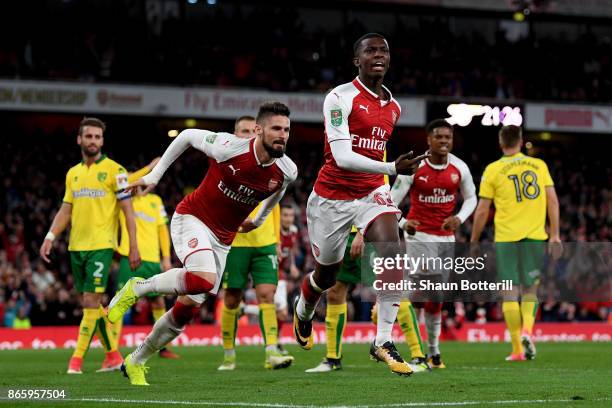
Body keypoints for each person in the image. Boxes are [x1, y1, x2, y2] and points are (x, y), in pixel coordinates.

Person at [108, 102, 297, 385]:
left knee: (185, 311)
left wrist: (259, 220)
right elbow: (185, 137)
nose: (282, 135)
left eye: (286, 130)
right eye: (276, 128)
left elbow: (278, 191)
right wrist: (154, 176)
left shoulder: (286, 170)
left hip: (223, 238)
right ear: (258, 130)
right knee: (204, 278)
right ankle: (138, 287)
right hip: (192, 218)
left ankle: (136, 360)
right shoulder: (228, 146)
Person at [293, 33, 428, 377]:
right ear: (357, 60)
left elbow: (374, 155)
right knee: (326, 276)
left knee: (392, 246)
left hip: (371, 192)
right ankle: (305, 308)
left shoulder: (393, 106)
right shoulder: (339, 97)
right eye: (370, 50)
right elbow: (340, 156)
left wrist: (386, 176)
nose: (378, 55)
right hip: (331, 198)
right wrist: (390, 168)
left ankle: (382, 339)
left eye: (384, 50)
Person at [39, 117, 141, 374]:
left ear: (102, 141)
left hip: (102, 245)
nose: (93, 141)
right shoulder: (73, 174)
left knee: (90, 301)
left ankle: (76, 360)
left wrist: (133, 246)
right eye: (89, 136)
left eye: (97, 137)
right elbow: (66, 209)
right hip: (76, 247)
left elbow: (128, 211)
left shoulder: (116, 171)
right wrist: (50, 236)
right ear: (80, 139)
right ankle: (113, 356)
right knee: (92, 307)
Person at [390, 118, 477, 369]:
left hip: (445, 238)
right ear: (429, 140)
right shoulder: (415, 168)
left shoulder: (459, 168)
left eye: (447, 137)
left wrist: (460, 218)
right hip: (419, 237)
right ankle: (426, 351)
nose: (443, 141)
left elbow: (472, 198)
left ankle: (430, 351)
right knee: (424, 293)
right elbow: (391, 200)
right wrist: (403, 222)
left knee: (434, 298)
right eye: (439, 137)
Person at [470, 125, 561, 361]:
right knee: (531, 288)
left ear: (501, 143)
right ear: (521, 142)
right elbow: (552, 200)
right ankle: (528, 332)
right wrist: (556, 235)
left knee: (509, 292)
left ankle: (517, 350)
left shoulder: (493, 170)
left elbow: (482, 210)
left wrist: (474, 240)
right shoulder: (539, 166)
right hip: (534, 236)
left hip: (507, 238)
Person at [218, 115, 294, 371]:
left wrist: (277, 241)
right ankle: (229, 355)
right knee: (231, 299)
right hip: (236, 243)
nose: (249, 135)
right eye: (243, 131)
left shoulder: (272, 163)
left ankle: (272, 352)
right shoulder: (226, 162)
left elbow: (275, 206)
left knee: (267, 296)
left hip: (265, 243)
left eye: (253, 131)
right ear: (234, 134)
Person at [111, 158, 179, 359]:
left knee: (158, 303)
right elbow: (126, 181)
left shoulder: (155, 201)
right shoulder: (124, 201)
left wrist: (166, 258)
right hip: (130, 258)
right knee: (121, 302)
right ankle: (112, 351)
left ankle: (162, 348)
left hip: (152, 261)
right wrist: (149, 168)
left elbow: (162, 232)